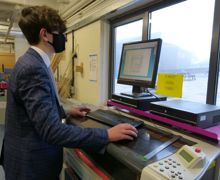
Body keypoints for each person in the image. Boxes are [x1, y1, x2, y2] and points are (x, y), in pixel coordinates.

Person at [0, 5, 138, 180]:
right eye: (60, 34)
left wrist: (65, 111)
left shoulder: (31, 62)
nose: (63, 39)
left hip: (24, 157)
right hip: (31, 166)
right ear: (44, 35)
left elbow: (33, 112)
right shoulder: (33, 68)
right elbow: (52, 131)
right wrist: (106, 135)